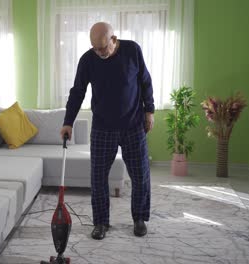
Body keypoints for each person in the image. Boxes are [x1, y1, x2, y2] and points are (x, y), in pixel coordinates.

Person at [60, 22, 154, 240]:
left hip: (133, 125)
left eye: (103, 47)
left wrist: (149, 110)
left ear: (113, 39)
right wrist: (68, 122)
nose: (99, 52)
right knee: (98, 178)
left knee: (141, 175)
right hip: (103, 127)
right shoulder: (88, 59)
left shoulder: (132, 50)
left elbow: (145, 82)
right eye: (95, 48)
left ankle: (139, 219)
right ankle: (101, 222)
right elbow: (77, 92)